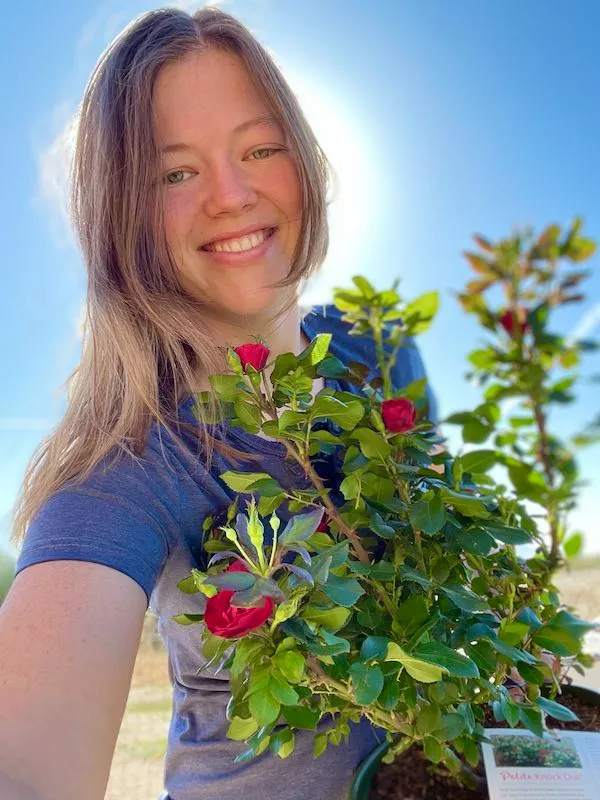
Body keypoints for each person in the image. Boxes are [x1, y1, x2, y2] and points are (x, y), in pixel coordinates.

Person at [0, 7, 438, 800]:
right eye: (175, 173)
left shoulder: (384, 351)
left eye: (260, 147)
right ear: (123, 217)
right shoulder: (129, 469)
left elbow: (448, 551)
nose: (232, 195)